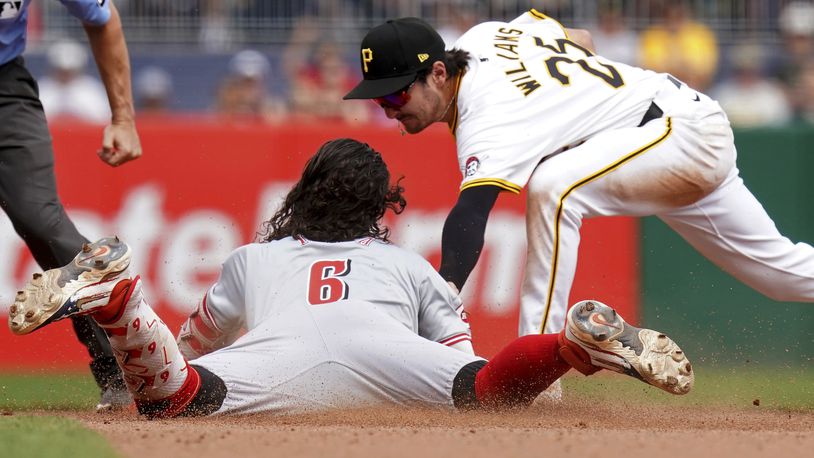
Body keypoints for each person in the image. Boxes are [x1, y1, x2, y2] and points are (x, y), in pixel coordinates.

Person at [8, 139, 692, 418]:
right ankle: (574, 347)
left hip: (278, 357)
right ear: (382, 208)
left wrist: (150, 375)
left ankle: (120, 300)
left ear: (303, 194)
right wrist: (476, 388)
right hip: (388, 353)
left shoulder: (254, 259)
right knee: (484, 392)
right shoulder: (409, 267)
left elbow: (192, 351)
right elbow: (465, 366)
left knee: (178, 400)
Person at [343, 13, 814, 347]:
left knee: (554, 187)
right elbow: (581, 37)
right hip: (668, 132)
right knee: (782, 276)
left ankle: (536, 362)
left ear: (439, 73)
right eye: (379, 100)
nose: (389, 108)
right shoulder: (485, 35)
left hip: (676, 132)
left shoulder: (486, 117)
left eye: (397, 92)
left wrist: (440, 296)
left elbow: (472, 214)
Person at [0, 0, 142, 410]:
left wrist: (123, 118)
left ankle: (127, 369)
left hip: (5, 90)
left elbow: (103, 17)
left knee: (43, 223)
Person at [38, 40, 110, 123]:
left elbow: (103, 118)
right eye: (61, 70)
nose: (65, 75)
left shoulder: (92, 90)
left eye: (70, 71)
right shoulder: (42, 89)